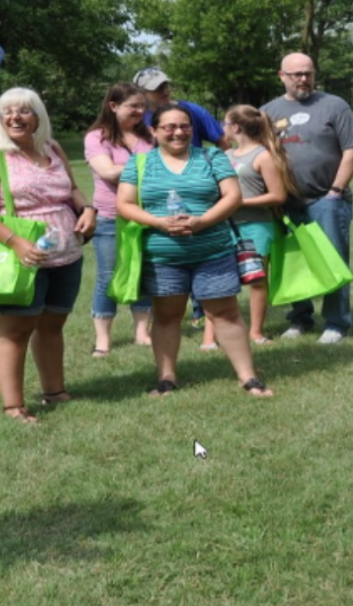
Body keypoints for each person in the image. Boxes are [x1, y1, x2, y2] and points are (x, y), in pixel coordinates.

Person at [115, 103, 272, 397]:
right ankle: (167, 378)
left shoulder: (212, 156)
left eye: (184, 126)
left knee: (225, 313)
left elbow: (233, 195)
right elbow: (124, 204)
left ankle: (248, 377)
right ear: (154, 131)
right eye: (169, 127)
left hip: (213, 250)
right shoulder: (140, 163)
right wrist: (159, 223)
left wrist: (203, 221)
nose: (178, 132)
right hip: (163, 255)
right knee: (166, 316)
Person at [0, 87, 96, 423]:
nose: (15, 117)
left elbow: (72, 188)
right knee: (16, 329)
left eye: (24, 110)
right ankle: (13, 406)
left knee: (53, 324)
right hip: (20, 256)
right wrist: (15, 242)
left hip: (66, 253)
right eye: (8, 111)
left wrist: (87, 208)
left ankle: (55, 391)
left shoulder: (51, 147)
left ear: (38, 117)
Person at [261, 52, 353, 344]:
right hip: (284, 203)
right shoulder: (267, 111)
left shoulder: (334, 106)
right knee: (292, 261)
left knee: (333, 260)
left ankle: (336, 323)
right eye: (296, 74)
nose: (303, 79)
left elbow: (350, 151)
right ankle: (300, 319)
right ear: (282, 76)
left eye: (308, 73)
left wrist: (335, 192)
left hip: (326, 199)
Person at [132, 67, 230, 328]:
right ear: (142, 92)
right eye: (156, 87)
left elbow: (223, 141)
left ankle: (203, 315)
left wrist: (225, 174)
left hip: (197, 189)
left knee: (206, 260)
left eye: (165, 85)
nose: (164, 90)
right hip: (153, 199)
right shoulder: (137, 117)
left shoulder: (191, 111)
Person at [200, 105, 299, 350]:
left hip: (256, 227)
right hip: (225, 227)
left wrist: (240, 202)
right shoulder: (224, 155)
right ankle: (210, 337)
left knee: (256, 281)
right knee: (218, 280)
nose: (222, 128)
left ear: (236, 127)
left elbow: (277, 195)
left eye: (225, 123)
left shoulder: (263, 156)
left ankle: (255, 332)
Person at [84, 82, 153, 355]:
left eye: (143, 106)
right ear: (113, 106)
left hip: (146, 216)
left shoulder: (149, 136)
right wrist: (149, 166)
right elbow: (108, 172)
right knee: (107, 277)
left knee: (144, 273)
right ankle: (103, 339)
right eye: (133, 106)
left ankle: (142, 333)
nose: (140, 111)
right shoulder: (96, 138)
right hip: (110, 218)